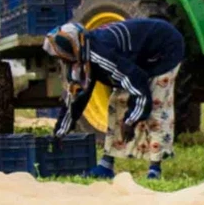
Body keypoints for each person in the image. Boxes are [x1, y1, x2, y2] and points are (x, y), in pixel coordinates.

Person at [45, 19, 186, 181]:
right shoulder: (80, 56)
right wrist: (60, 133)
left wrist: (131, 120)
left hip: (164, 48)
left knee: (156, 105)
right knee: (117, 103)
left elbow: (137, 83)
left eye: (62, 56)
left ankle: (155, 168)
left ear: (73, 49)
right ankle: (106, 165)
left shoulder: (101, 55)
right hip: (137, 57)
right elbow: (76, 97)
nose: (61, 60)